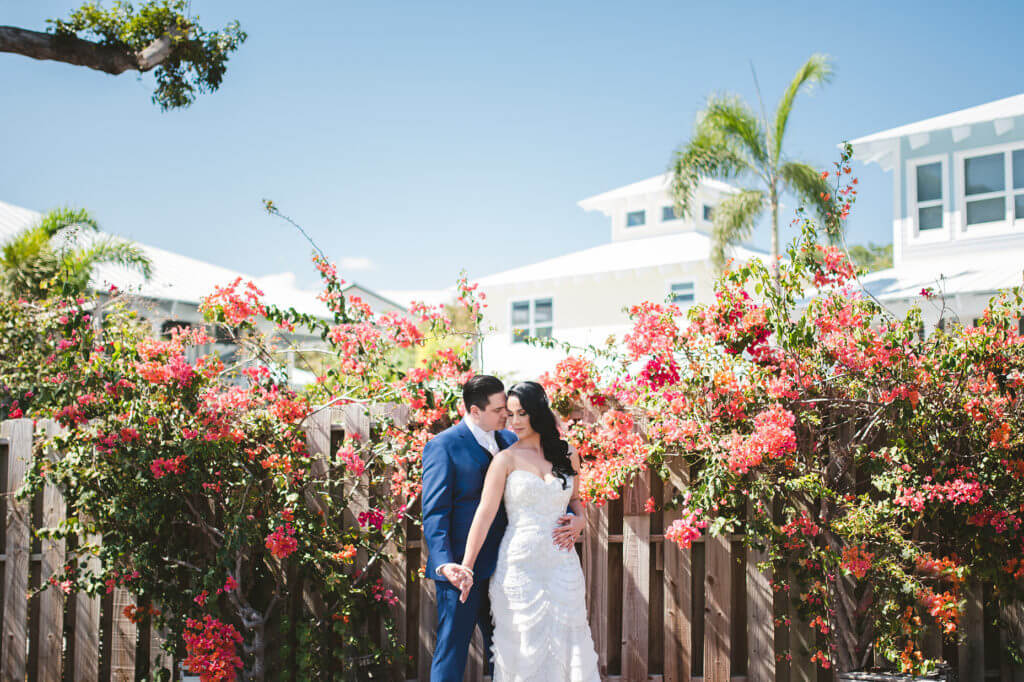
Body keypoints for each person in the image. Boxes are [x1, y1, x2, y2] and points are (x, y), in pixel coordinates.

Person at [457, 380, 600, 682]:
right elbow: (484, 514)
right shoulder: (504, 460)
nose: (515, 421)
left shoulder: (568, 454)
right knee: (523, 651)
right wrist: (466, 566)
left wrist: (581, 520)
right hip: (519, 569)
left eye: (522, 413)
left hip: (563, 566)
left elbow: (575, 500)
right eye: (510, 415)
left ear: (538, 412)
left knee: (570, 646)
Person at [421, 375, 517, 681]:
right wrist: (445, 564)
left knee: (505, 649)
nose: (507, 414)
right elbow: (435, 512)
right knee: (453, 648)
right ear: (475, 411)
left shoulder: (510, 442)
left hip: (505, 567)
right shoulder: (443, 446)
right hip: (461, 570)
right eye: (499, 409)